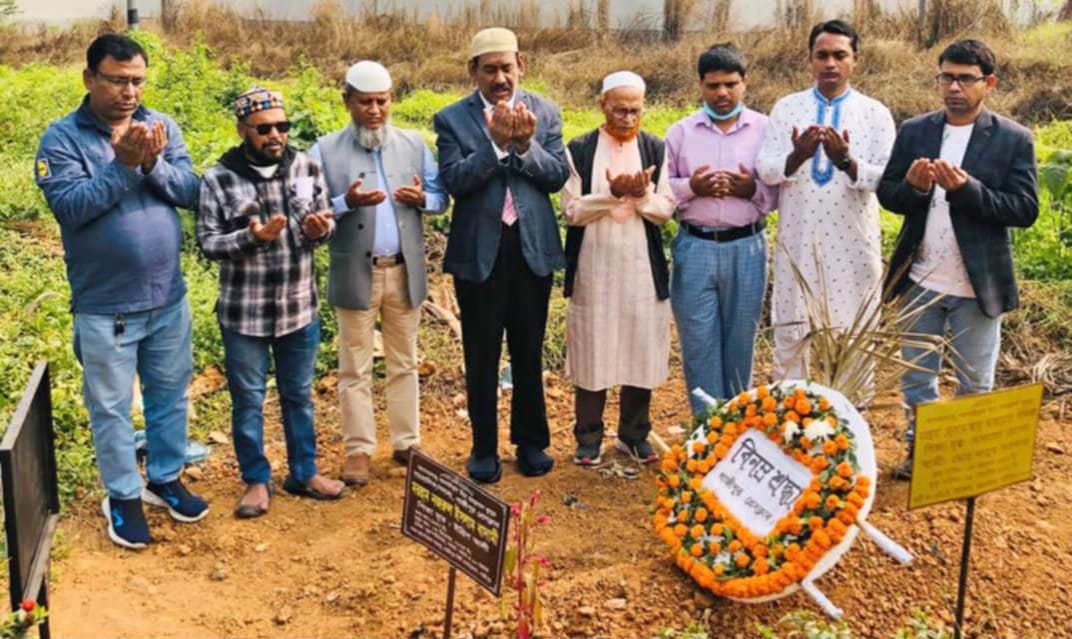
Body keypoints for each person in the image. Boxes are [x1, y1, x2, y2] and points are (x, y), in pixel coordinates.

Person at [34, 33, 207, 549]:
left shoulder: (161, 127)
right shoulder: (61, 139)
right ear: (90, 78)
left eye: (137, 81)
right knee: (110, 407)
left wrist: (152, 162)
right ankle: (124, 497)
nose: (129, 92)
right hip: (106, 306)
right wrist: (123, 165)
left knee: (170, 394)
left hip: (167, 298)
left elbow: (193, 192)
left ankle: (166, 476)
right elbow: (72, 208)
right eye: (117, 80)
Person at [877, 39, 1039, 479]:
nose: (954, 87)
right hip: (920, 279)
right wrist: (912, 188)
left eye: (965, 79)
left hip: (977, 283)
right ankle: (923, 454)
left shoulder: (1012, 139)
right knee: (916, 380)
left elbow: (1024, 209)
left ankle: (964, 463)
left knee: (975, 384)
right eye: (946, 77)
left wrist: (968, 191)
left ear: (988, 83)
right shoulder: (915, 131)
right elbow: (888, 194)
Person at [197, 87, 345, 518]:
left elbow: (325, 224)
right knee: (248, 399)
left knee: (298, 395)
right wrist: (251, 238)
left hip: (299, 308)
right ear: (243, 129)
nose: (276, 135)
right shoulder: (218, 178)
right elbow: (208, 243)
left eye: (282, 126)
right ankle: (256, 480)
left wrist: (321, 230)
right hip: (245, 313)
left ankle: (304, 472)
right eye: (265, 129)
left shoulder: (306, 166)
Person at [433, 27, 570, 483]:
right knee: (482, 354)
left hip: (531, 248)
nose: (499, 78)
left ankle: (531, 444)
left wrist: (525, 145)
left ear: (521, 65)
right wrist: (495, 145)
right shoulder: (452, 119)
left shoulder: (545, 112)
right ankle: (484, 449)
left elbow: (554, 178)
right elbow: (455, 181)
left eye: (506, 68)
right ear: (473, 71)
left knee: (529, 351)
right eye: (489, 69)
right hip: (480, 253)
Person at [309, 61, 449, 487]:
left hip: (403, 271)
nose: (374, 110)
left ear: (392, 101)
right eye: (365, 102)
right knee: (355, 366)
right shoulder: (324, 150)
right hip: (356, 271)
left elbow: (442, 197)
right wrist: (346, 202)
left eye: (382, 102)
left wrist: (423, 198)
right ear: (347, 101)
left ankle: (407, 442)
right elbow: (311, 212)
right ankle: (358, 449)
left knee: (404, 361)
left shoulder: (413, 143)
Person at [755, 20, 895, 380]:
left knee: (853, 334)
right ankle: (789, 420)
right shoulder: (787, 108)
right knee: (792, 329)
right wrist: (796, 157)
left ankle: (850, 421)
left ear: (855, 60)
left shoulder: (874, 113)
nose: (830, 63)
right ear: (809, 59)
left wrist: (846, 162)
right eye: (822, 55)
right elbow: (766, 169)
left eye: (839, 55)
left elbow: (888, 178)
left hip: (852, 244)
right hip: (798, 241)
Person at [561, 71, 677, 465]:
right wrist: (610, 195)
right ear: (602, 106)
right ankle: (588, 439)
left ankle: (633, 435)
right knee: (592, 352)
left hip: (642, 270)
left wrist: (641, 196)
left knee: (640, 350)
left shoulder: (656, 149)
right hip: (595, 268)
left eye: (634, 111)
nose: (628, 118)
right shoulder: (578, 148)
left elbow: (665, 210)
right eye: (619, 110)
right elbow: (572, 211)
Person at [665, 44, 778, 416]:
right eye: (713, 85)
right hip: (695, 245)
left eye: (731, 84)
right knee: (698, 342)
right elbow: (662, 189)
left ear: (745, 82)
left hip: (747, 245)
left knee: (740, 340)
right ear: (700, 85)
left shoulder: (765, 130)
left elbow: (780, 190)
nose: (722, 94)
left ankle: (736, 428)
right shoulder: (681, 132)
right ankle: (706, 431)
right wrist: (690, 189)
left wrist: (752, 191)